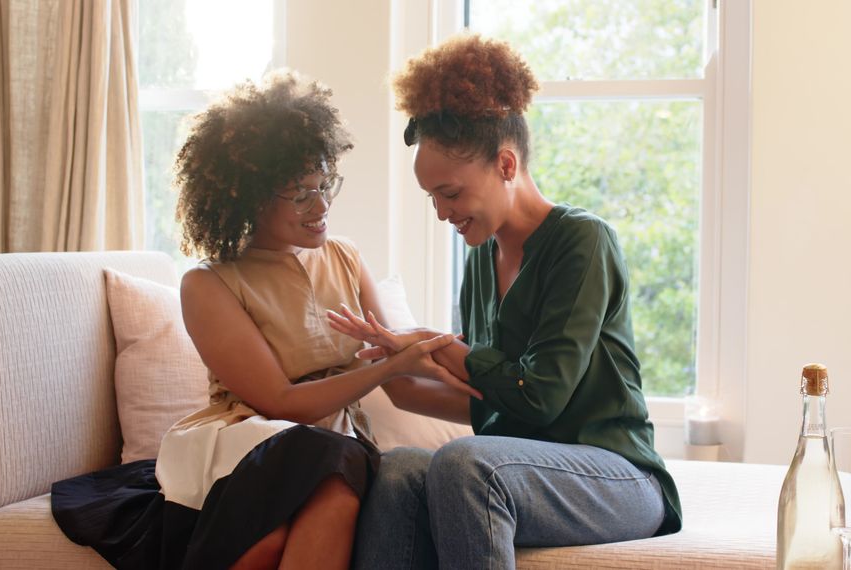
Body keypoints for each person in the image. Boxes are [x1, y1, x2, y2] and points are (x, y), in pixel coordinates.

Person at [51, 70, 471, 570]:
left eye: (325, 185)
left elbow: (403, 384)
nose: (322, 207)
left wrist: (501, 408)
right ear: (250, 196)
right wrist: (388, 368)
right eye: (301, 195)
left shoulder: (345, 256)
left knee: (314, 500)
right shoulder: (208, 284)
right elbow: (279, 402)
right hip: (249, 443)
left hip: (331, 448)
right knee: (329, 473)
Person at [328, 34, 683, 569]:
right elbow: (486, 396)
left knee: (467, 464)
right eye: (431, 198)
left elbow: (539, 396)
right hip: (522, 468)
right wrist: (393, 368)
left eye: (450, 193)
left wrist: (436, 344)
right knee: (399, 469)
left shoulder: (582, 242)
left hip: (617, 474)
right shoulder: (480, 258)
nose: (442, 213)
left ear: (507, 165)